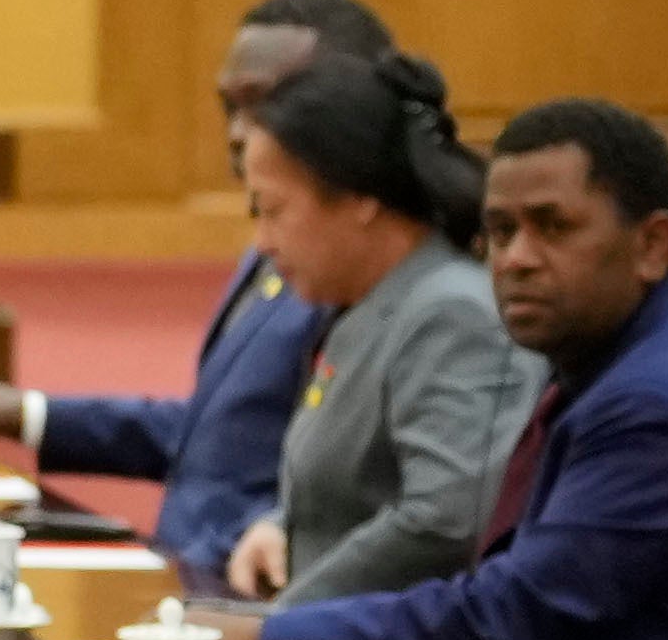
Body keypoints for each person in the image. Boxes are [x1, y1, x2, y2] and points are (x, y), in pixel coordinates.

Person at [251, 98, 668, 640]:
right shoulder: (613, 354)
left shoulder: (660, 405)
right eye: (500, 231)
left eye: (552, 228)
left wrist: (268, 637)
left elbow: (507, 615)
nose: (516, 259)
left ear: (653, 245)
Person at [0, 0, 392, 566]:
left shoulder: (357, 266)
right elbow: (221, 436)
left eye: (264, 105)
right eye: (229, 107)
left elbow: (358, 488)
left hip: (246, 598)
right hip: (177, 585)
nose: (239, 132)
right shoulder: (274, 242)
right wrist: (33, 415)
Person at [224, 46, 524, 608]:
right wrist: (279, 525)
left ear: (360, 197)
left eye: (272, 209)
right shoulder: (367, 304)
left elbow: (446, 520)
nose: (262, 243)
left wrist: (278, 626)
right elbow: (352, 489)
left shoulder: (452, 314)